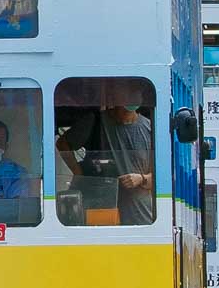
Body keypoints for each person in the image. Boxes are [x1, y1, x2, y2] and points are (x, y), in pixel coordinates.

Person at [56, 82, 155, 225]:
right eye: (128, 91)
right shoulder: (96, 121)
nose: (134, 96)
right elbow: (63, 144)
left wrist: (141, 179)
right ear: (115, 96)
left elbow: (160, 178)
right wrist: (79, 174)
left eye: (137, 91)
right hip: (99, 210)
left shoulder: (150, 128)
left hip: (140, 216)